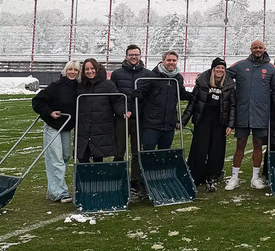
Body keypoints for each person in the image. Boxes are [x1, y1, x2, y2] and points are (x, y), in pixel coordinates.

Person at [225, 40, 275, 190]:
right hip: (243, 113)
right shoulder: (240, 65)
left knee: (258, 145)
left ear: (264, 49)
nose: (258, 50)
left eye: (260, 48)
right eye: (255, 48)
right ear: (251, 49)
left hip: (261, 113)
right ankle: (234, 177)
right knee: (240, 144)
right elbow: (222, 74)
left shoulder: (271, 69)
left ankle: (255, 178)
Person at [181, 58, 236, 192]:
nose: (220, 70)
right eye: (217, 68)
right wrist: (183, 121)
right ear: (213, 69)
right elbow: (193, 103)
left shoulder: (229, 85)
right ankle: (196, 175)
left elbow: (232, 106)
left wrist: (230, 124)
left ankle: (213, 175)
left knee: (216, 150)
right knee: (200, 149)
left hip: (219, 122)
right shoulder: (202, 83)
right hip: (203, 121)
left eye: (222, 68)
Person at [109, 44, 155, 197]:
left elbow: (150, 97)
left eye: (136, 54)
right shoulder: (117, 74)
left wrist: (139, 103)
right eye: (131, 55)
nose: (134, 57)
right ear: (126, 56)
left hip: (140, 118)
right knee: (119, 149)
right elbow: (114, 97)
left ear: (140, 56)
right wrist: (122, 111)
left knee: (137, 150)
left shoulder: (147, 74)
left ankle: (135, 181)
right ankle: (118, 178)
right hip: (122, 118)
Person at [31, 60, 79, 203]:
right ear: (65, 70)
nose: (73, 72)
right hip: (53, 126)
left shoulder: (78, 87)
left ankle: (53, 190)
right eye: (70, 69)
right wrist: (50, 112)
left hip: (66, 127)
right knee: (56, 159)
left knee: (65, 157)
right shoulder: (56, 86)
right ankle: (60, 192)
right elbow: (37, 102)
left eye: (76, 70)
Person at [76, 58, 129, 163]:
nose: (89, 71)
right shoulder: (80, 86)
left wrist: (123, 112)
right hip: (83, 127)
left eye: (92, 68)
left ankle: (98, 179)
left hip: (101, 126)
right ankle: (85, 179)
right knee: (82, 157)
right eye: (87, 69)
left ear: (97, 69)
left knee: (98, 157)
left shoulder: (108, 85)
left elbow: (117, 101)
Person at [141, 51, 191, 151]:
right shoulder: (151, 75)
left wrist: (196, 94)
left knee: (164, 154)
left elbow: (181, 94)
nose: (171, 62)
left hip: (169, 124)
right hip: (152, 124)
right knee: (147, 153)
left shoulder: (178, 77)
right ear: (163, 61)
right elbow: (142, 94)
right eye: (168, 60)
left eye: (174, 60)